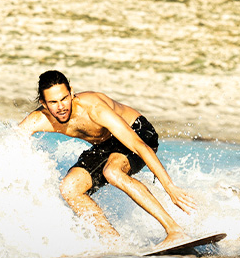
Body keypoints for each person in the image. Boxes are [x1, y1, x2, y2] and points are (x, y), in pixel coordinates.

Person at [18, 70, 197, 248]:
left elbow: (139, 146)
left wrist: (170, 187)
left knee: (113, 172)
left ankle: (175, 231)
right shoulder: (38, 120)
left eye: (64, 98)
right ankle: (116, 244)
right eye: (53, 102)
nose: (61, 106)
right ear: (43, 102)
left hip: (138, 132)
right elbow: (9, 143)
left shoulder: (94, 109)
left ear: (71, 92)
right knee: (69, 187)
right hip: (106, 145)